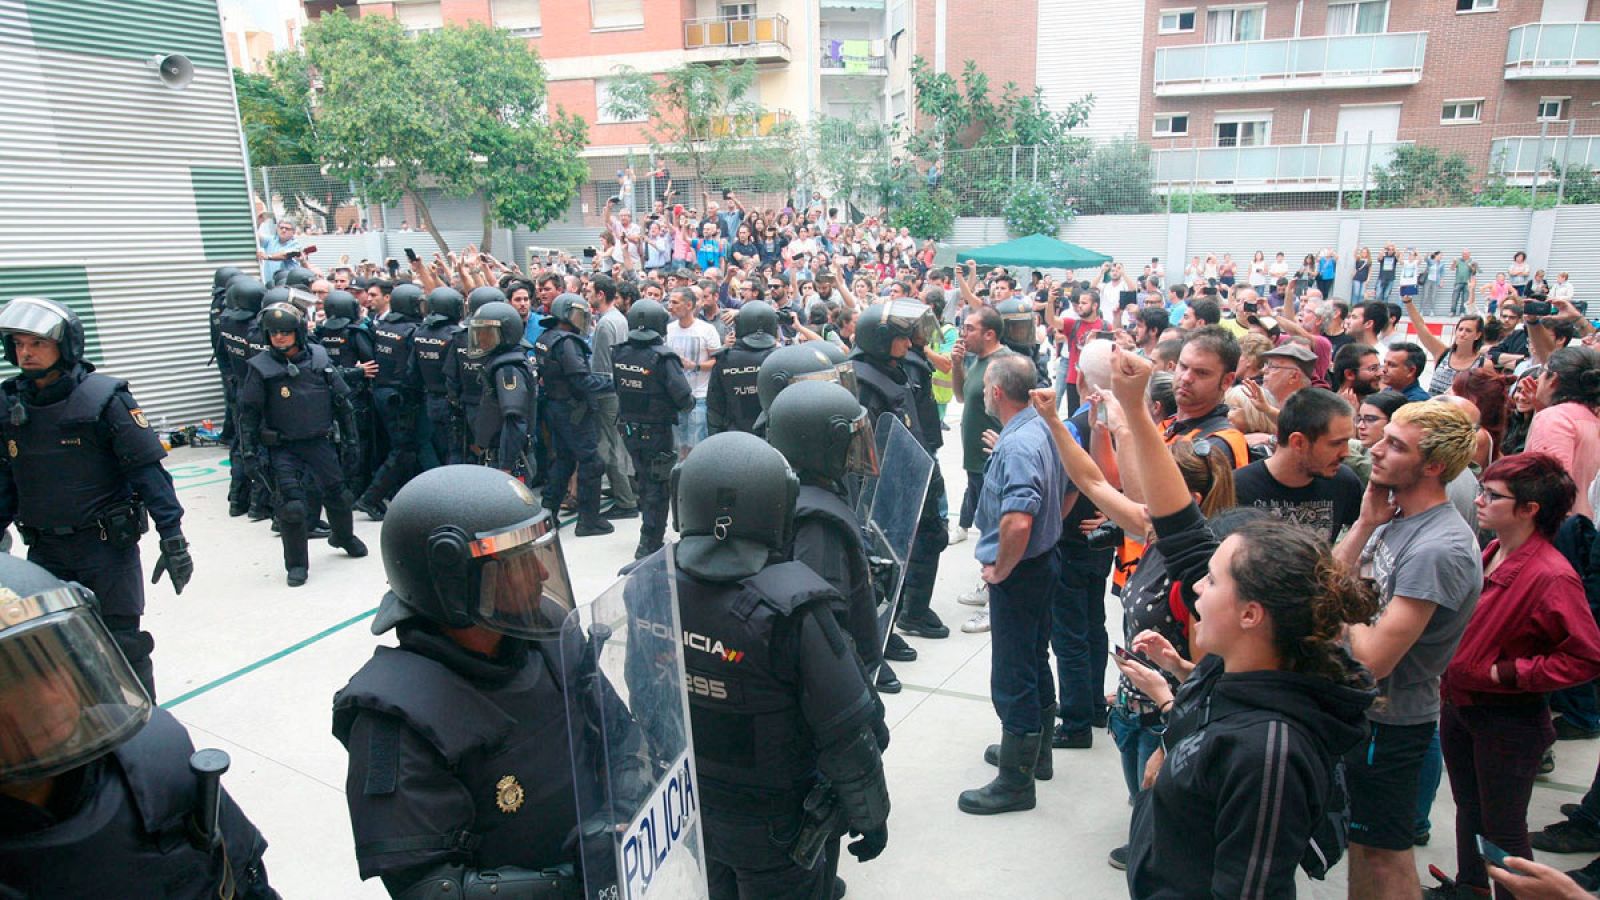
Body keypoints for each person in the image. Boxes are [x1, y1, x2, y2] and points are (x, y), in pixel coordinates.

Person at [333, 465, 609, 898]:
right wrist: (573, 880)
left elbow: (615, 732)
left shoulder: (549, 630)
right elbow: (428, 887)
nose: (540, 574)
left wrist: (629, 811)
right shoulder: (394, 718)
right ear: (454, 581)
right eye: (518, 561)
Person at [670, 433, 890, 899]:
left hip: (694, 813)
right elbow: (847, 731)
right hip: (778, 829)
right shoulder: (795, 610)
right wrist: (871, 816)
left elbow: (647, 706)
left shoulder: (651, 588)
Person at [0, 554, 278, 897]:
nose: (50, 695)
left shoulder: (159, 764)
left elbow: (246, 883)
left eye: (52, 664)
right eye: (11, 679)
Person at [1427, 453, 1600, 900]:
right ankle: (1470, 888)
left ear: (1530, 509)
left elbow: (1586, 656)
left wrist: (1508, 673)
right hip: (1462, 707)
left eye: (1493, 495)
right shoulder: (1492, 551)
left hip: (1508, 719)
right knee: (1469, 809)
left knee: (1503, 829)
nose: (1479, 501)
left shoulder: (1551, 575)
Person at [0, 296, 191, 698]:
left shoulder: (105, 399)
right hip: (46, 549)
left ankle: (145, 729)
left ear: (65, 344)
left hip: (104, 548)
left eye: (36, 343)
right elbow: (6, 480)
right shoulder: (8, 405)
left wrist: (172, 538)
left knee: (125, 645)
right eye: (18, 344)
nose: (25, 353)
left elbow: (148, 473)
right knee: (57, 649)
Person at [1332, 400, 1483, 900]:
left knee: (1385, 853)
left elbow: (1374, 659)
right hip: (1370, 717)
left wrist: (1333, 611)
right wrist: (1364, 525)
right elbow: (1331, 582)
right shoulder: (1394, 517)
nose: (1375, 448)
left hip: (1390, 724)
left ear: (1434, 465)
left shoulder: (1439, 547)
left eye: (1395, 444)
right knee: (1366, 845)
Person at [960, 353, 1067, 816]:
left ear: (998, 392)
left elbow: (1018, 522)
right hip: (1042, 564)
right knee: (1033, 659)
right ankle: (1034, 755)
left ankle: (1015, 782)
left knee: (1013, 675)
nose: (982, 393)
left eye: (985, 387)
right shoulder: (1038, 427)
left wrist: (1001, 569)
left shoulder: (1019, 443)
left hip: (1021, 573)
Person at [767, 380, 896, 691]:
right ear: (825, 443)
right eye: (849, 441)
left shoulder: (787, 491)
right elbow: (824, 623)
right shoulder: (819, 523)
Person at [236, 303, 369, 587]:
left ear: (297, 332)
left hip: (319, 442)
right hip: (283, 448)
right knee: (292, 507)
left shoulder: (319, 358)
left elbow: (342, 404)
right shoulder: (260, 368)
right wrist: (249, 453)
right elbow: (248, 415)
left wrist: (351, 441)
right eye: (274, 333)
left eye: (285, 332)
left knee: (339, 495)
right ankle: (296, 564)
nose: (280, 338)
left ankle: (343, 536)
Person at [852, 301, 951, 643]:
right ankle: (882, 629)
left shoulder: (893, 370)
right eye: (901, 338)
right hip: (885, 487)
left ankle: (903, 615)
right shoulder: (864, 381)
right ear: (880, 341)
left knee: (923, 542)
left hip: (910, 473)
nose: (909, 343)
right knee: (883, 559)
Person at [612, 299, 694, 560]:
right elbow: (684, 399)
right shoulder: (663, 357)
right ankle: (649, 542)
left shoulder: (620, 352)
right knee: (657, 487)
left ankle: (649, 535)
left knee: (644, 480)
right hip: (656, 432)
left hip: (629, 430)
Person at [1233, 388, 1363, 543]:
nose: (1346, 453)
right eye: (1336, 444)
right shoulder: (1236, 488)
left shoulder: (1344, 483)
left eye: (1347, 441)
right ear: (1298, 442)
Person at [533, 293, 613, 535]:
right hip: (573, 410)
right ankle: (589, 521)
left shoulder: (546, 336)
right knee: (591, 463)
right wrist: (613, 384)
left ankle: (548, 514)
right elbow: (581, 381)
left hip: (555, 408)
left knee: (563, 461)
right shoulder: (567, 342)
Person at [355, 282, 425, 520]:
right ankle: (371, 498)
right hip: (400, 396)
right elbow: (412, 370)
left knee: (394, 447)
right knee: (404, 450)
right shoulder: (411, 330)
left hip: (381, 392)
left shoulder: (382, 325)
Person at [464, 301, 539, 484]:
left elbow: (515, 421)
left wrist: (505, 466)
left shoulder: (508, 370)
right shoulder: (499, 363)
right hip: (499, 454)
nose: (480, 339)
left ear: (505, 334)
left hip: (510, 460)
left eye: (486, 334)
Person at [950, 306, 1007, 547]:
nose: (963, 334)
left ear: (989, 335)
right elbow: (962, 396)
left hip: (991, 458)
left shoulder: (1003, 364)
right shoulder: (978, 361)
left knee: (993, 523)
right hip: (975, 457)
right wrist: (956, 365)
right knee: (974, 495)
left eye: (970, 329)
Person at [218, 277, 273, 519]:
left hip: (237, 386)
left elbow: (221, 357)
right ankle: (258, 505)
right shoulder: (257, 331)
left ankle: (238, 500)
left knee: (242, 446)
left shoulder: (225, 322)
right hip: (255, 390)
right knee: (260, 447)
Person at [586, 274, 639, 519]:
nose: (587, 295)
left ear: (600, 294)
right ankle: (629, 492)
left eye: (589, 291)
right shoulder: (619, 318)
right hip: (620, 390)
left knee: (609, 447)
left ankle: (625, 501)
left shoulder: (607, 323)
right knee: (620, 445)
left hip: (606, 392)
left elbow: (600, 366)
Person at [1526, 346, 1600, 519]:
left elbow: (1550, 489)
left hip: (1561, 532)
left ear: (1554, 380)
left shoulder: (1555, 419)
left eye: (1542, 372)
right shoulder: (1591, 419)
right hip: (1587, 529)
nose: (1537, 379)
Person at [410, 286, 464, 468]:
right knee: (456, 449)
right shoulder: (455, 335)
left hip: (430, 399)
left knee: (439, 448)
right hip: (451, 401)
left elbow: (412, 370)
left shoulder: (419, 333)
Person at [707, 301, 779, 435]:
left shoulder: (724, 360)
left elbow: (714, 407)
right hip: (773, 435)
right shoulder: (780, 358)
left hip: (735, 435)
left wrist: (715, 437)